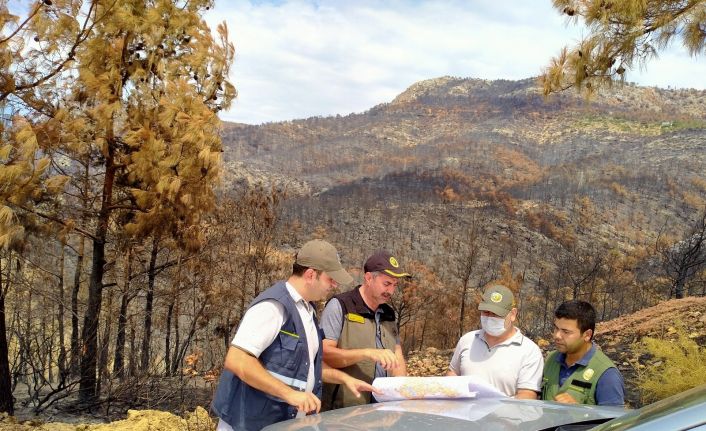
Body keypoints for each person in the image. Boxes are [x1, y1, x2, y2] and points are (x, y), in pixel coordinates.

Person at [211, 239, 377, 431]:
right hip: (249, 424)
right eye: (330, 279)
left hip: (284, 424)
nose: (334, 285)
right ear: (310, 274)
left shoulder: (309, 310)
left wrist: (345, 380)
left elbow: (307, 368)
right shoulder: (273, 306)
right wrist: (289, 394)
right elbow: (237, 360)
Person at [320, 250, 410, 409]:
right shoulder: (340, 305)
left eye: (395, 285)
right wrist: (367, 353)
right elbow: (325, 355)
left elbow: (397, 354)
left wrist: (402, 393)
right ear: (368, 278)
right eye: (386, 284)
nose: (391, 291)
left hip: (383, 408)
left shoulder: (389, 314)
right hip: (344, 410)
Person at [447, 284, 544, 399]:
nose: (490, 318)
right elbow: (453, 372)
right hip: (464, 414)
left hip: (504, 416)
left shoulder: (529, 351)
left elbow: (527, 395)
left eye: (496, 314)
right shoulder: (467, 340)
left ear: (512, 314)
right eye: (486, 312)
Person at [542, 300, 625, 406]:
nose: (557, 336)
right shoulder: (550, 359)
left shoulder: (607, 375)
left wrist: (579, 411)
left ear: (587, 335)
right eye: (556, 328)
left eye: (566, 332)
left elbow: (613, 421)